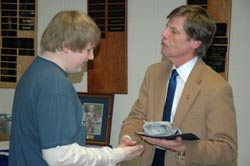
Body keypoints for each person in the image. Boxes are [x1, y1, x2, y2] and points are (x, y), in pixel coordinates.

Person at [9, 10, 144, 166]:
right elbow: (59, 156)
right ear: (65, 46)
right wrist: (115, 155)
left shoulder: (35, 71)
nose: (91, 57)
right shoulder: (55, 85)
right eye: (88, 50)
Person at [119, 5, 237, 166]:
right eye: (167, 27)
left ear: (195, 42)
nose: (164, 33)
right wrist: (127, 140)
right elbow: (137, 117)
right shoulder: (153, 73)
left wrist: (183, 146)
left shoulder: (217, 87)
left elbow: (227, 149)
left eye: (173, 31)